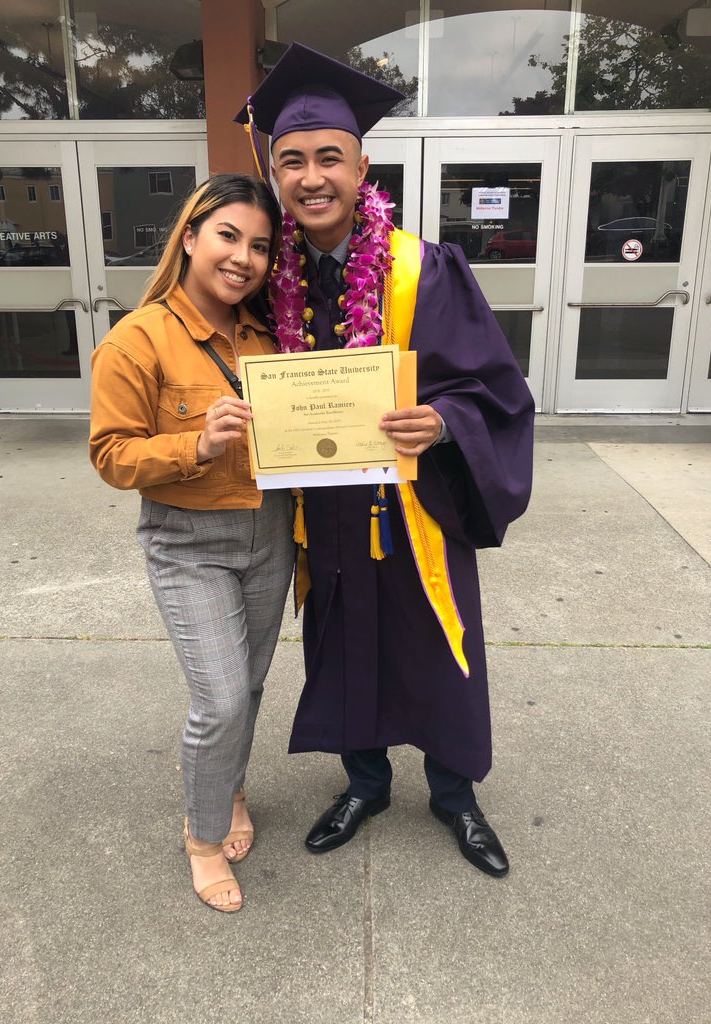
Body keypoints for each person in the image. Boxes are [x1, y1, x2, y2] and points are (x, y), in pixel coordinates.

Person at [234, 44, 535, 877]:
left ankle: (454, 794)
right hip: (325, 513)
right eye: (292, 161)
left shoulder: (423, 270)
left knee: (437, 645)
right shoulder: (266, 278)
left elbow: (495, 388)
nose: (311, 177)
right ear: (276, 174)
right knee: (342, 645)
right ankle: (364, 784)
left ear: (362, 167)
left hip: (416, 506)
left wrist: (443, 421)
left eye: (329, 156)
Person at [89, 174, 294, 911]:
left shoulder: (267, 335)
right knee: (222, 698)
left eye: (260, 247)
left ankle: (230, 789)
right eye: (228, 236)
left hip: (271, 533)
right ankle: (203, 840)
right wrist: (196, 445)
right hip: (188, 542)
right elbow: (111, 455)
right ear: (190, 236)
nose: (243, 258)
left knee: (252, 683)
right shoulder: (137, 339)